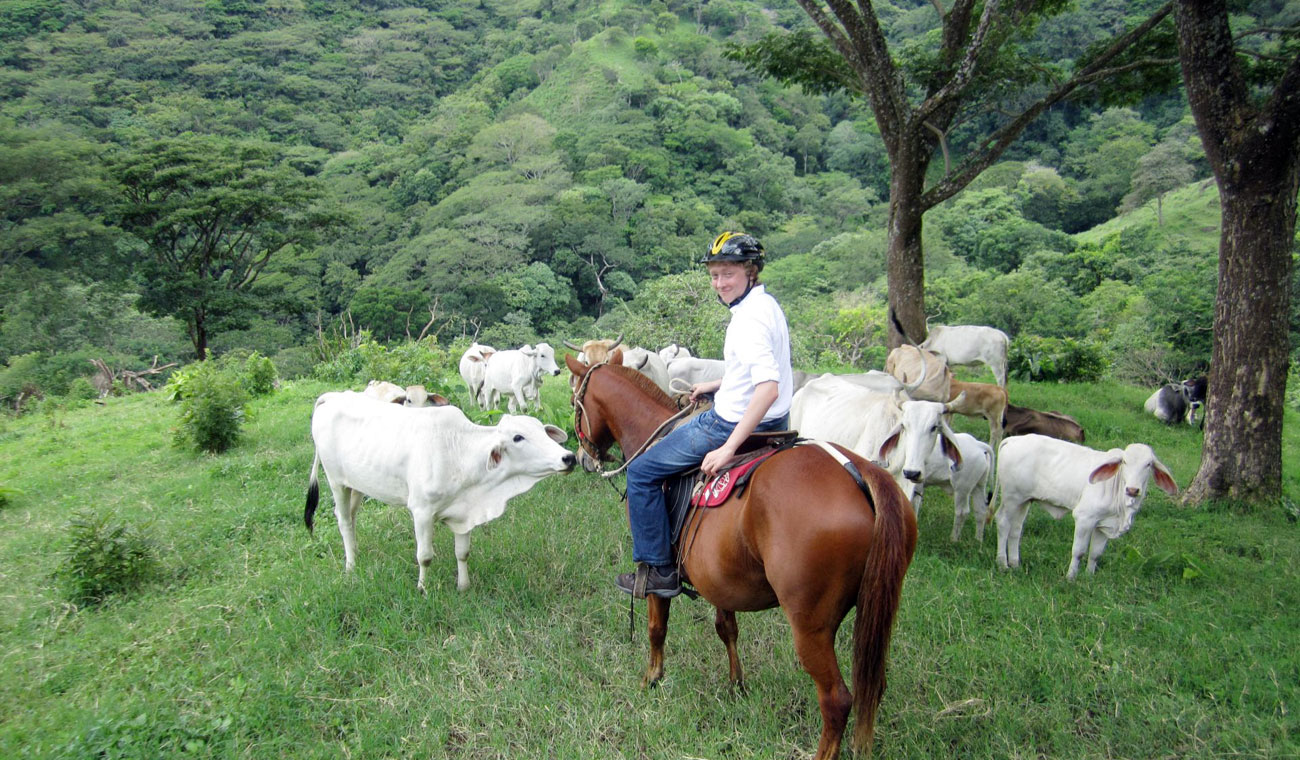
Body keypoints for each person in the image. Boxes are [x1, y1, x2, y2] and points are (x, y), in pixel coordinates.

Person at [616, 232, 794, 598]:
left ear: (750, 271)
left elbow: (768, 387)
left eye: (727, 273)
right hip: (777, 424)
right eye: (714, 275)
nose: (719, 283)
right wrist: (715, 384)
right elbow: (751, 372)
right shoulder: (766, 306)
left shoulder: (748, 322)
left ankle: (659, 571)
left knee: (641, 471)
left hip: (728, 424)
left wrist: (729, 447)